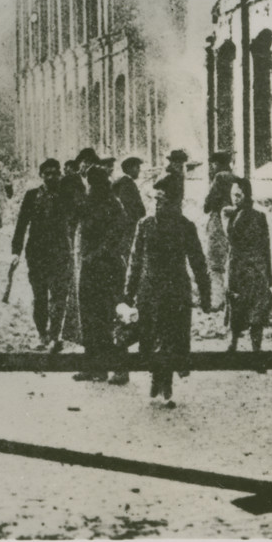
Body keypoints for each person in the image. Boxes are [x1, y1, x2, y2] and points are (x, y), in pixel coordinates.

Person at [124, 173, 214, 405]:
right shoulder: (144, 225)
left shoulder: (185, 227)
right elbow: (135, 262)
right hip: (149, 292)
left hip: (175, 293)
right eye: (155, 200)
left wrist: (205, 295)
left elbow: (198, 262)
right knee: (151, 338)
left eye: (162, 201)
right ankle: (156, 377)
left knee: (171, 339)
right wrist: (127, 294)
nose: (156, 205)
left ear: (174, 203)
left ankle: (166, 382)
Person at [72, 167, 131, 382]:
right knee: (89, 316)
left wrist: (97, 253)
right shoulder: (87, 204)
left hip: (109, 267)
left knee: (113, 315)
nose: (92, 187)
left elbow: (117, 233)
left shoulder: (113, 204)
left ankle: (120, 368)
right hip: (90, 266)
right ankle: (94, 367)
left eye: (95, 183)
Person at [10, 158, 70, 347]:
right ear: (41, 175)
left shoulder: (66, 195)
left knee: (59, 295)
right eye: (47, 173)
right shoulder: (32, 195)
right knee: (40, 295)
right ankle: (42, 334)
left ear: (60, 174)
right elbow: (21, 224)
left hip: (59, 251)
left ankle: (56, 335)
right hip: (36, 252)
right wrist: (16, 251)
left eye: (55, 173)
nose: (51, 177)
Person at [222, 176, 272, 369]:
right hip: (242, 268)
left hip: (250, 269)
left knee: (252, 311)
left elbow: (262, 245)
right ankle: (235, 347)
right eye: (233, 195)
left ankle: (253, 352)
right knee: (240, 307)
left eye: (238, 195)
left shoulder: (250, 216)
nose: (235, 198)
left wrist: (268, 275)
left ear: (247, 195)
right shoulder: (238, 214)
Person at [201, 150, 243, 308]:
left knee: (215, 262)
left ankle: (218, 300)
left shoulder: (219, 178)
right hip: (235, 222)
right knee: (231, 259)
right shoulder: (237, 178)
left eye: (213, 164)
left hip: (219, 221)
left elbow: (208, 204)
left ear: (217, 164)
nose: (212, 167)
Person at [112, 156, 147, 230]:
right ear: (129, 169)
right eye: (137, 167)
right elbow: (126, 203)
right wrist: (136, 218)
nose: (139, 170)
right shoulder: (126, 183)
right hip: (130, 224)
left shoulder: (126, 182)